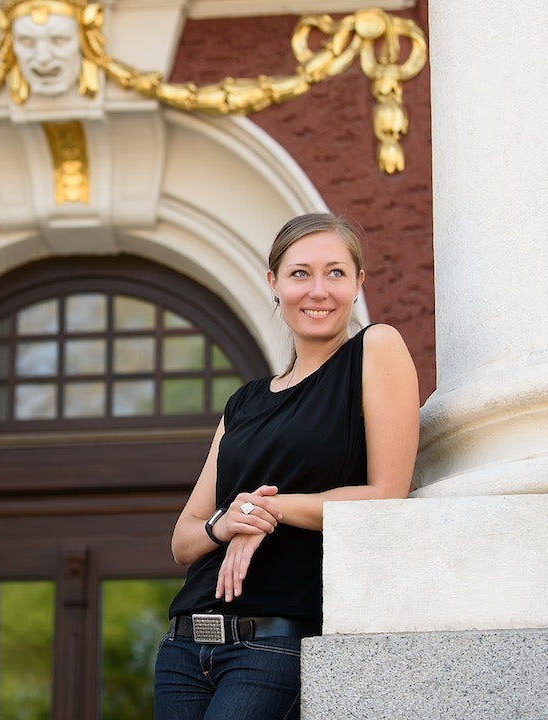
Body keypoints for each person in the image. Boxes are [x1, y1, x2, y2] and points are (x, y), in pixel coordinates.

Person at [152, 212, 420, 720]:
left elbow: (388, 494)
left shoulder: (374, 350)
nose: (318, 290)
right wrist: (227, 522)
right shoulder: (244, 402)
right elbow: (184, 539)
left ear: (359, 283)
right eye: (300, 273)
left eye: (336, 273)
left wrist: (265, 509)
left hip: (274, 644)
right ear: (274, 282)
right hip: (184, 646)